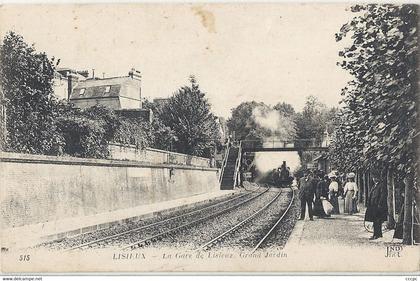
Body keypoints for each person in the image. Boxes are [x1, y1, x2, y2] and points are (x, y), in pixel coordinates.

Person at [365, 169, 388, 240]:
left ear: (378, 178)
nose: (374, 179)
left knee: (377, 221)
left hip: (378, 206)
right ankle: (376, 234)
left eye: (376, 178)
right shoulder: (374, 185)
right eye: (373, 178)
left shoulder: (381, 185)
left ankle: (377, 235)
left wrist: (379, 205)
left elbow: (382, 196)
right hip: (373, 206)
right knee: (375, 220)